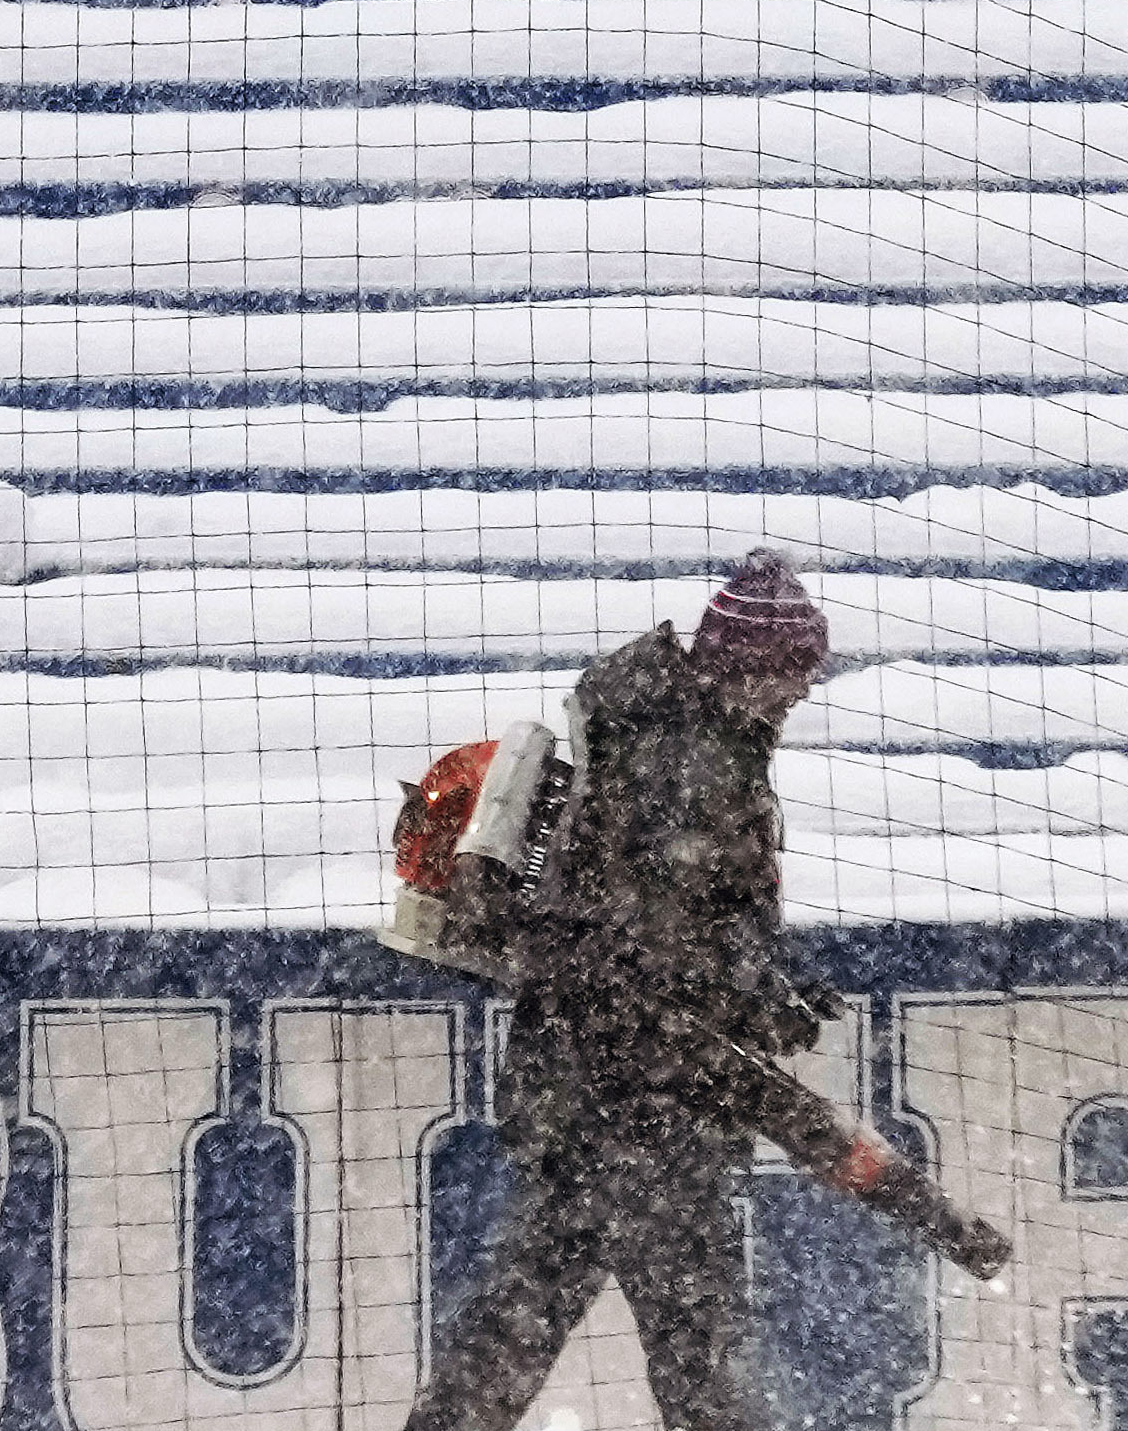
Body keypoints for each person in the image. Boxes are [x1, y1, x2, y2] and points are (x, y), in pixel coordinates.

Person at [406, 559, 1008, 1431]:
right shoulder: (689, 768)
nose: (801, 692)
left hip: (585, 1101)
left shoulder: (676, 739)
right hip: (646, 1117)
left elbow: (663, 936)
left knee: (515, 1341)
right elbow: (648, 961)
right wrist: (733, 1016)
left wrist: (754, 992)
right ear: (745, 667)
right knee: (697, 1372)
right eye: (792, 672)